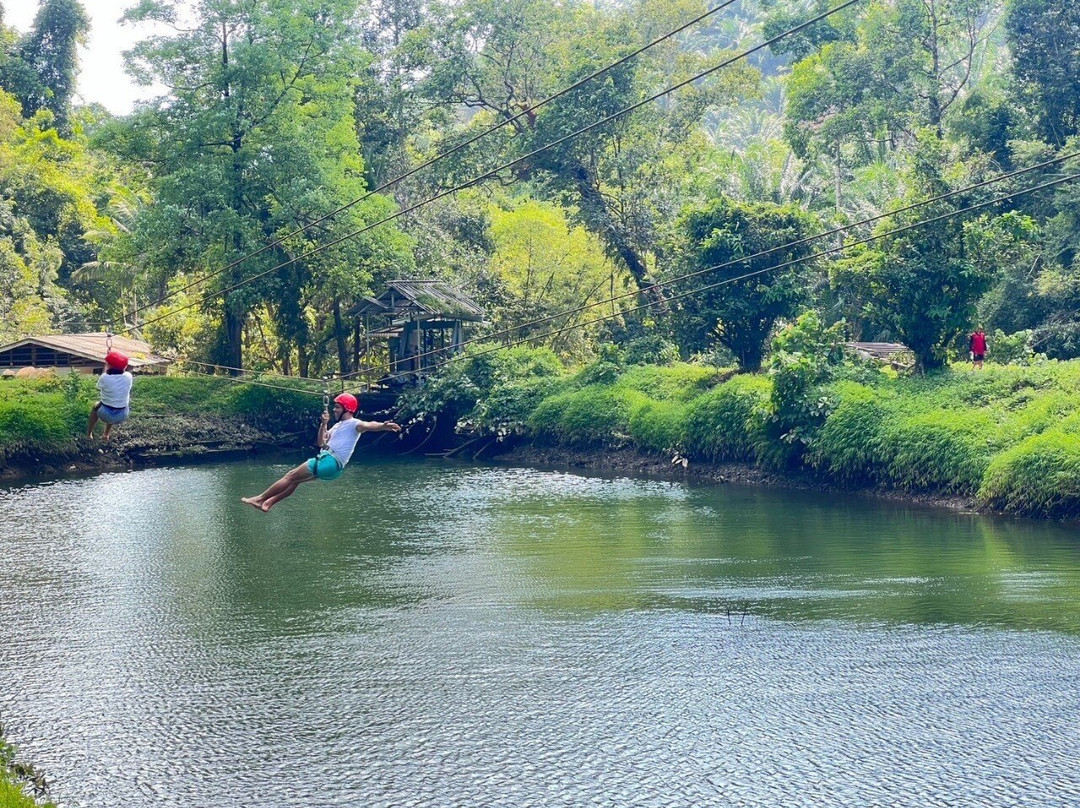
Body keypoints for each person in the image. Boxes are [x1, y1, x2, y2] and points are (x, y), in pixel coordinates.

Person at [242, 393, 400, 512]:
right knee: (295, 481)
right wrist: (323, 424)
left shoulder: (355, 424)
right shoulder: (337, 426)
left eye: (337, 407)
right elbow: (321, 442)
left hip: (329, 461)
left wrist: (383, 426)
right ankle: (269, 503)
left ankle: (260, 499)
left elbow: (369, 425)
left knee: (290, 476)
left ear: (347, 409)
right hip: (333, 467)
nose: (334, 410)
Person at [87, 350, 133, 440]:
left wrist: (107, 363)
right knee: (114, 403)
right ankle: (106, 434)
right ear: (125, 366)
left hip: (105, 414)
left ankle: (89, 434)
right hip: (122, 414)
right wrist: (109, 362)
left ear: (108, 365)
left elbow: (99, 386)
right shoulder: (128, 376)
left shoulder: (104, 378)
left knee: (96, 406)